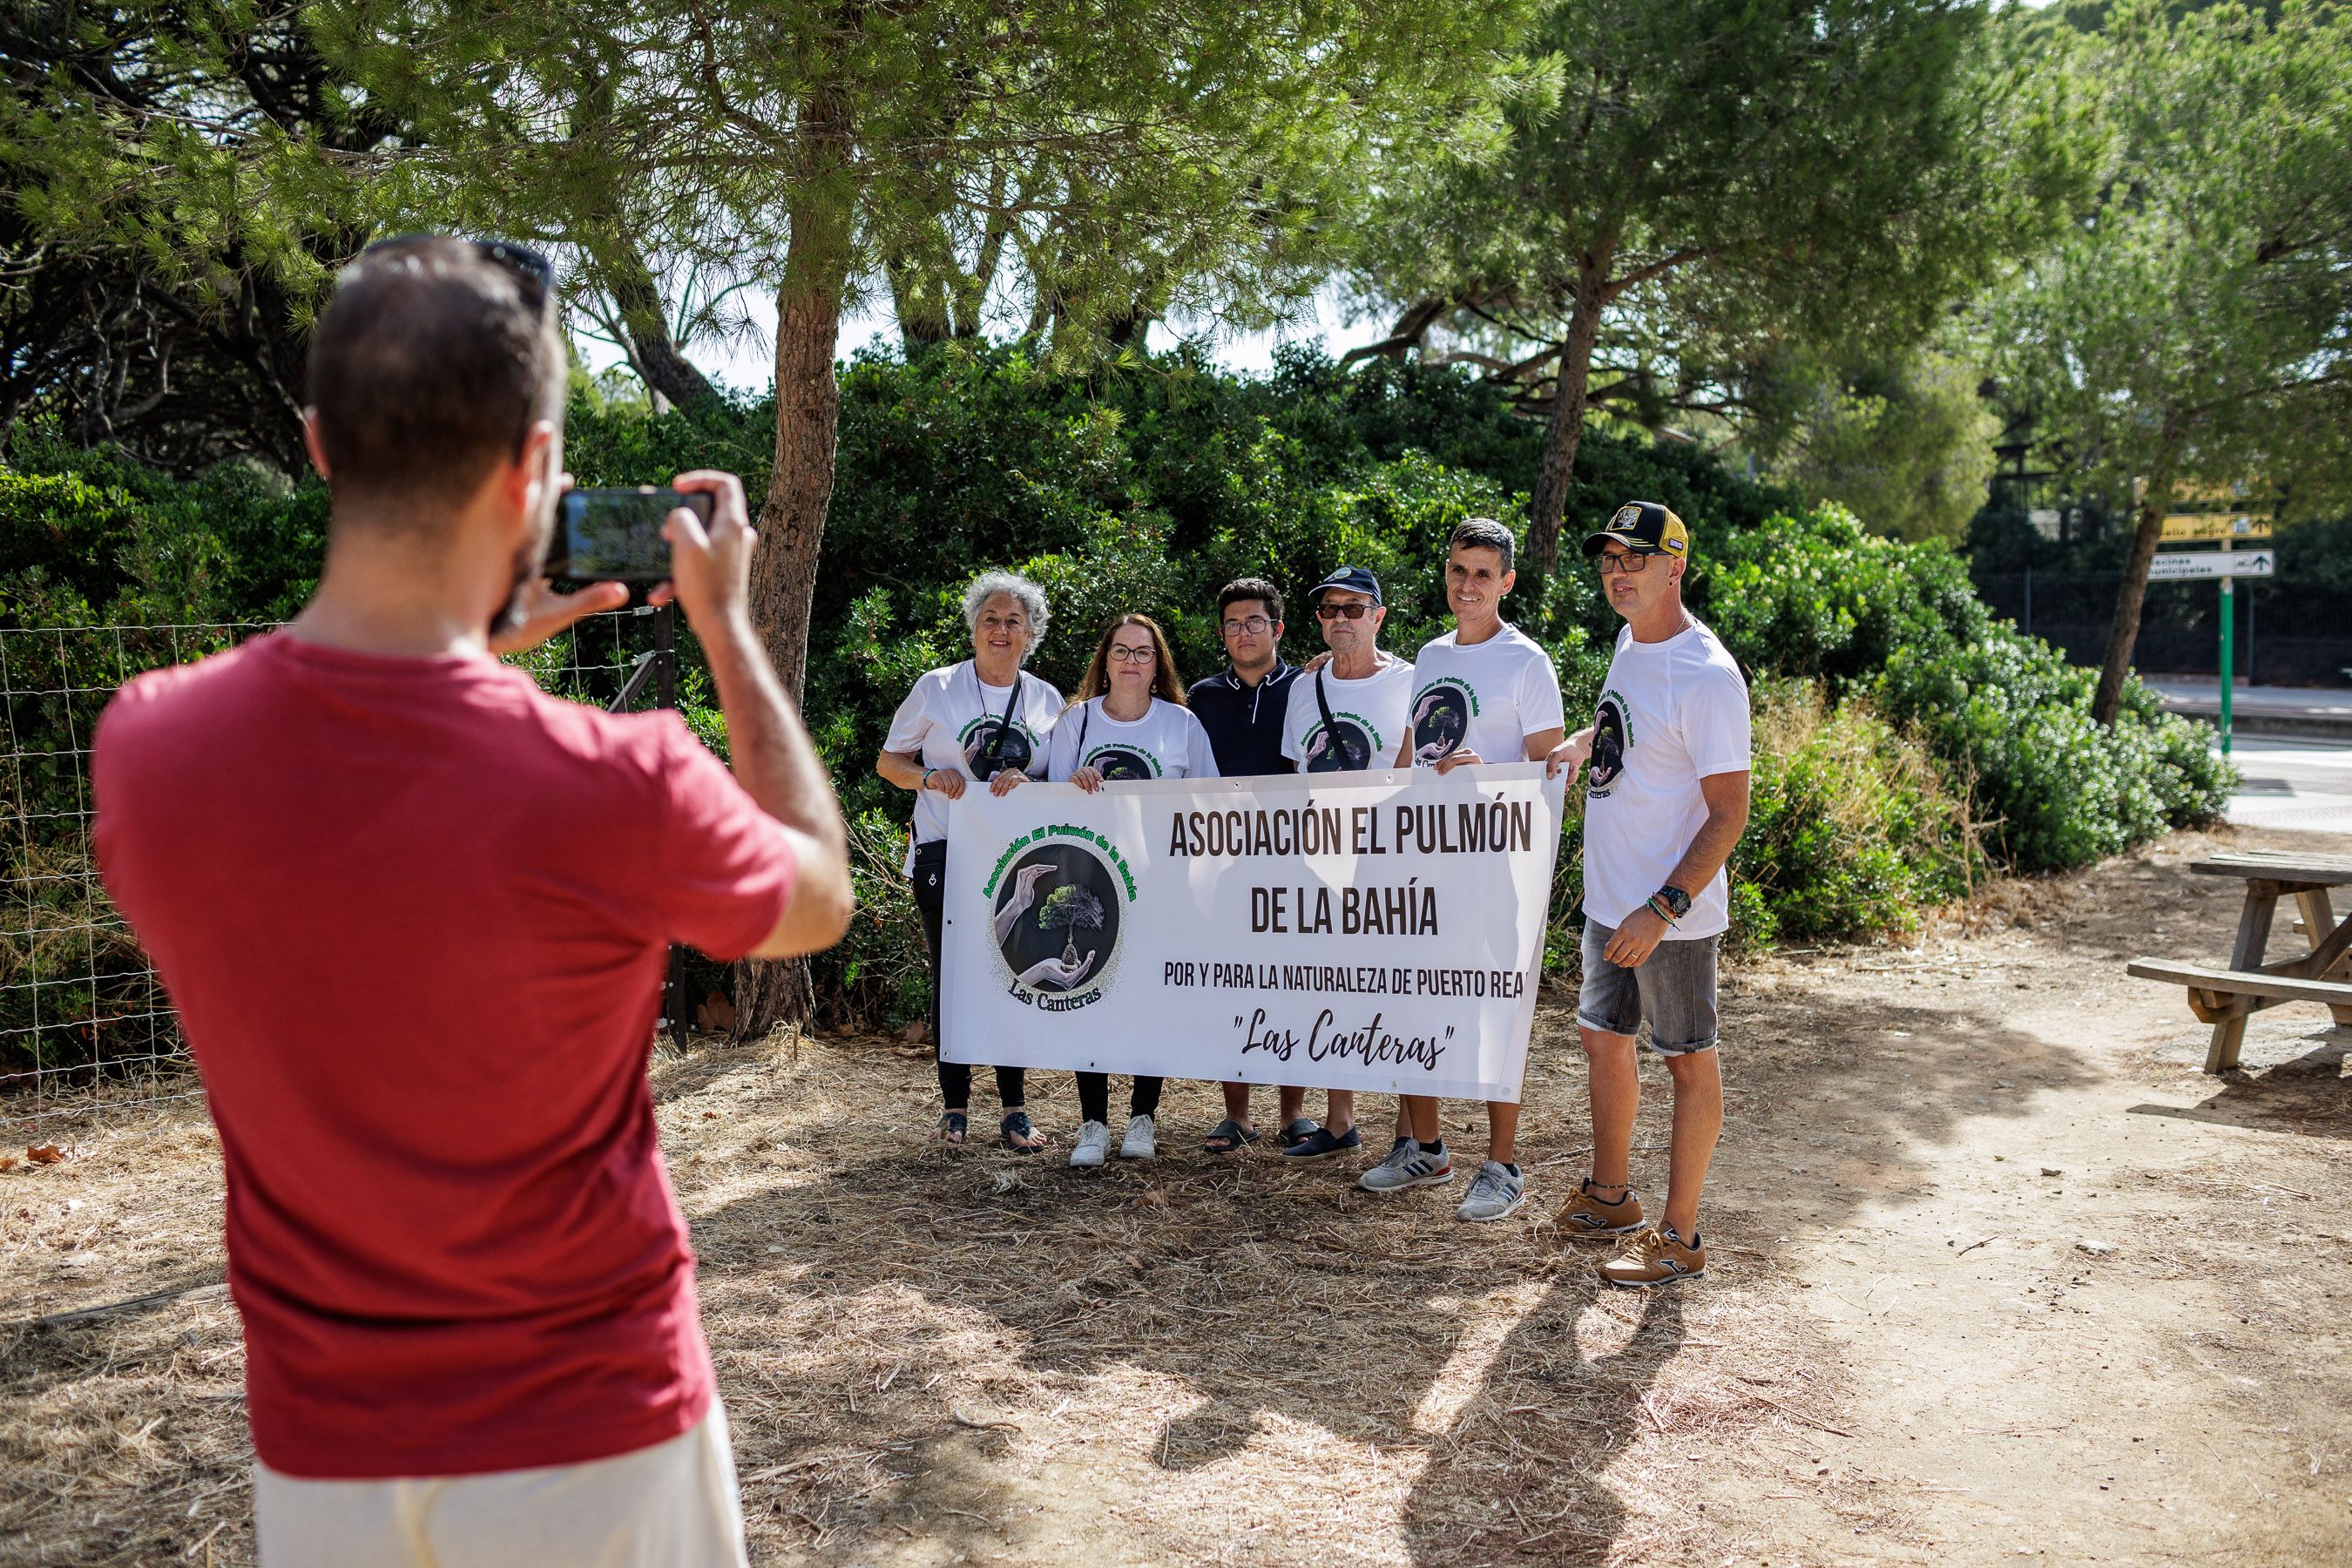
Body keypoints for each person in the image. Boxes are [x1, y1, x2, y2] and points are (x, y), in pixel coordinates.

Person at [91, 236, 855, 1566]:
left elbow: (356, 763)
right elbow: (817, 893)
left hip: (324, 1445)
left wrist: (461, 657)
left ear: (321, 445)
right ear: (537, 471)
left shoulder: (150, 750)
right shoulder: (621, 779)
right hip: (598, 1429)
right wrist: (726, 626)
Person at [1547, 501, 1750, 1286]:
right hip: (1609, 900)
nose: (1617, 573)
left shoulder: (1708, 675)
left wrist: (1662, 909)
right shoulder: (1632, 638)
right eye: (1609, 559)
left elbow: (1729, 813)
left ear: (1676, 566)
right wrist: (1581, 739)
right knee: (1604, 1038)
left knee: (1689, 1062)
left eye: (1635, 559)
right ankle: (1611, 1196)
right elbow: (1628, 727)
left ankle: (1681, 1238)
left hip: (1671, 914)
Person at [1362, 517, 1565, 1222]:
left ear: (1507, 582)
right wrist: (1381, 828)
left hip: (1495, 866)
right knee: (1410, 996)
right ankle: (1425, 1147)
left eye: (1483, 573)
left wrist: (1494, 776)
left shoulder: (1527, 662)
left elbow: (1550, 770)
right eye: (1458, 570)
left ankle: (1503, 1164)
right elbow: (1411, 753)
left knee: (1493, 1008)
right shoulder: (1431, 652)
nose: (1467, 584)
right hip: (1421, 860)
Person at [876, 571, 1059, 1151]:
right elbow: (889, 763)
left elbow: (1059, 780)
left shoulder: (1048, 700)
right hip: (945, 851)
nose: (1000, 630)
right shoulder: (938, 687)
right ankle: (954, 1109)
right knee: (953, 978)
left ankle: (1014, 1110)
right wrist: (929, 775)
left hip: (1016, 858)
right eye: (990, 619)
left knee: (1012, 970)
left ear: (1032, 632)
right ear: (974, 628)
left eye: (1013, 621)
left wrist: (1025, 782)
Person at [1050, 612, 1220, 1167]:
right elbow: (1046, 808)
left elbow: (1210, 804)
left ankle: (1143, 1117)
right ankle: (1093, 1124)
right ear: (1105, 662)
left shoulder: (1181, 725)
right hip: (1093, 880)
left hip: (1162, 884)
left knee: (1152, 1000)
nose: (1131, 661)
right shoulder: (1075, 723)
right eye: (1120, 651)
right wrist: (1073, 787)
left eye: (1143, 653)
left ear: (1157, 665)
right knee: (1091, 996)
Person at [1275, 566, 1415, 1165]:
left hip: (1390, 859)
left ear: (1378, 616)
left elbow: (1416, 772)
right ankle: (1340, 1120)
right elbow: (1295, 775)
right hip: (1319, 859)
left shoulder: (1412, 679)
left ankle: (1413, 1133)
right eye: (1330, 610)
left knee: (1402, 993)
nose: (1340, 619)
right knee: (1330, 987)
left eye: (1354, 609)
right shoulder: (1303, 687)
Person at [1186, 578, 1315, 1155]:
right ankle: (1236, 1115)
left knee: (1295, 985)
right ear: (1222, 633)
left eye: (1255, 622)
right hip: (1225, 862)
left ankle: (1295, 1115)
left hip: (1300, 858)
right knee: (1233, 985)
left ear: (1278, 629)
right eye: (1234, 623)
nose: (1244, 632)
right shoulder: (1202, 698)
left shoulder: (1311, 686)